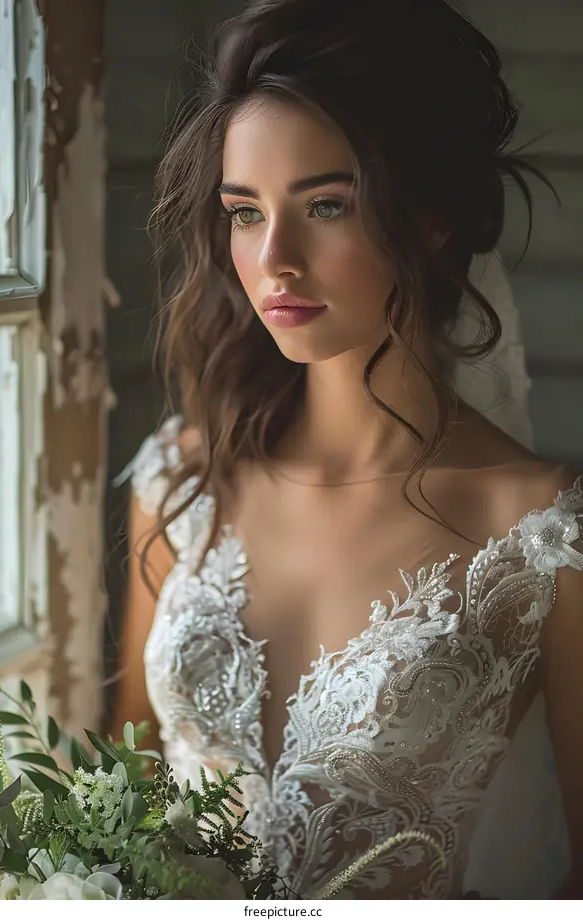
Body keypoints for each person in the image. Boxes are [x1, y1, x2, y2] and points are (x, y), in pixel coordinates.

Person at [111, 0, 583, 899]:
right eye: (245, 212)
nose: (275, 260)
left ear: (433, 215)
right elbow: (121, 777)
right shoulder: (182, 480)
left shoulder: (543, 534)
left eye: (326, 204)